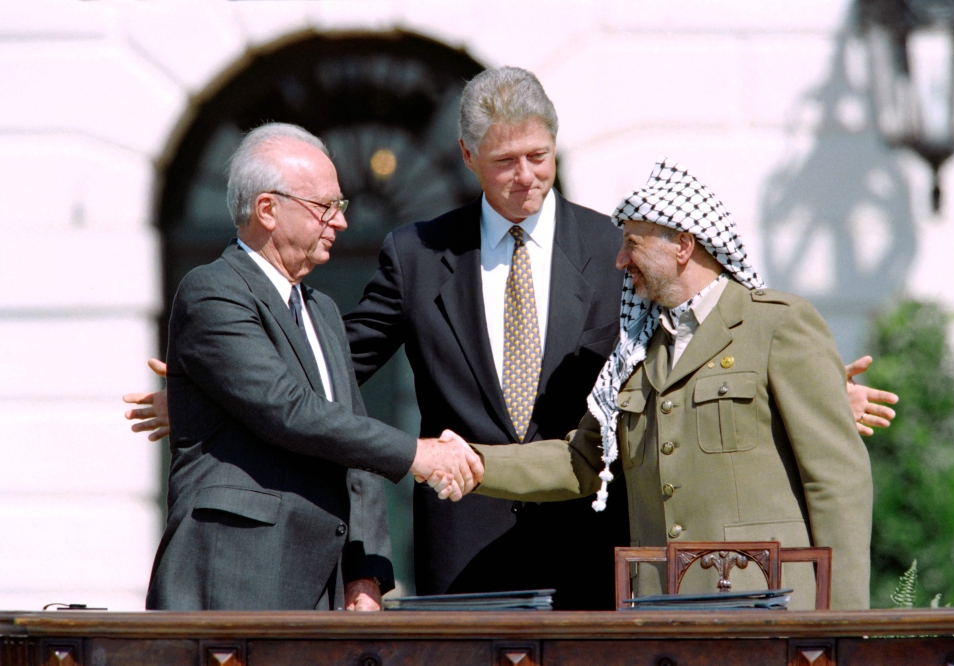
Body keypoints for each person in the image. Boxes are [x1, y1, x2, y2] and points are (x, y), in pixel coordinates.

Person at [126, 68, 897, 609]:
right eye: (505, 162)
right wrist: (216, 391)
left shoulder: (617, 248)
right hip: (465, 551)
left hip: (604, 548)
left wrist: (812, 393)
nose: (526, 176)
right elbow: (334, 371)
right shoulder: (417, 252)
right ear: (467, 160)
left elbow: (688, 358)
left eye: (540, 157)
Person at [432, 158, 876, 610]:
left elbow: (837, 481)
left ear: (683, 245)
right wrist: (474, 463)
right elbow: (580, 460)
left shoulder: (776, 325)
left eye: (632, 244)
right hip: (660, 612)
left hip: (766, 608)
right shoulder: (636, 351)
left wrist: (842, 625)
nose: (620, 260)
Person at [145, 122, 481, 611]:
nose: (341, 222)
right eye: (326, 207)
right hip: (233, 579)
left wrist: (367, 572)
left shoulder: (320, 308)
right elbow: (289, 410)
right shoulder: (212, 290)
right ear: (267, 210)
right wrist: (416, 453)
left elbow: (350, 433)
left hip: (320, 589)